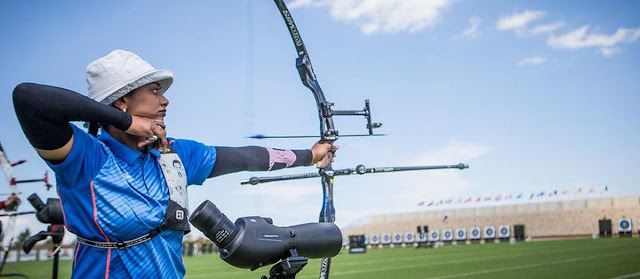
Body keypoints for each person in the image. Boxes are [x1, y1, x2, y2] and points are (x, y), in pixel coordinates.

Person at [12, 49, 336, 278]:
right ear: (121, 100)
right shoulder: (86, 156)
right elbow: (28, 98)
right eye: (154, 91)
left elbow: (248, 157)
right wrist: (125, 122)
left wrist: (311, 155)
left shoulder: (175, 154)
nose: (165, 100)